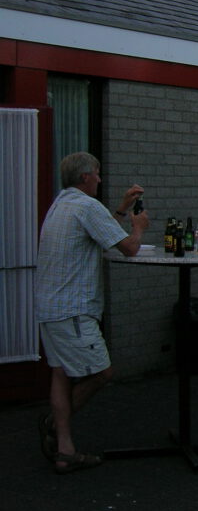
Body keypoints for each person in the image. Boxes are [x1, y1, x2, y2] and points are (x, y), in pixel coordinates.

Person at [35, 152, 149, 474]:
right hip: (72, 309)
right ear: (85, 177)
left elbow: (101, 232)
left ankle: (65, 451)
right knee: (101, 372)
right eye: (97, 173)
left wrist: (122, 208)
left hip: (50, 306)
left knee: (61, 373)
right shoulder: (87, 206)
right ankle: (55, 422)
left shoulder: (62, 203)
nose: (100, 178)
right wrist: (138, 227)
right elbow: (129, 248)